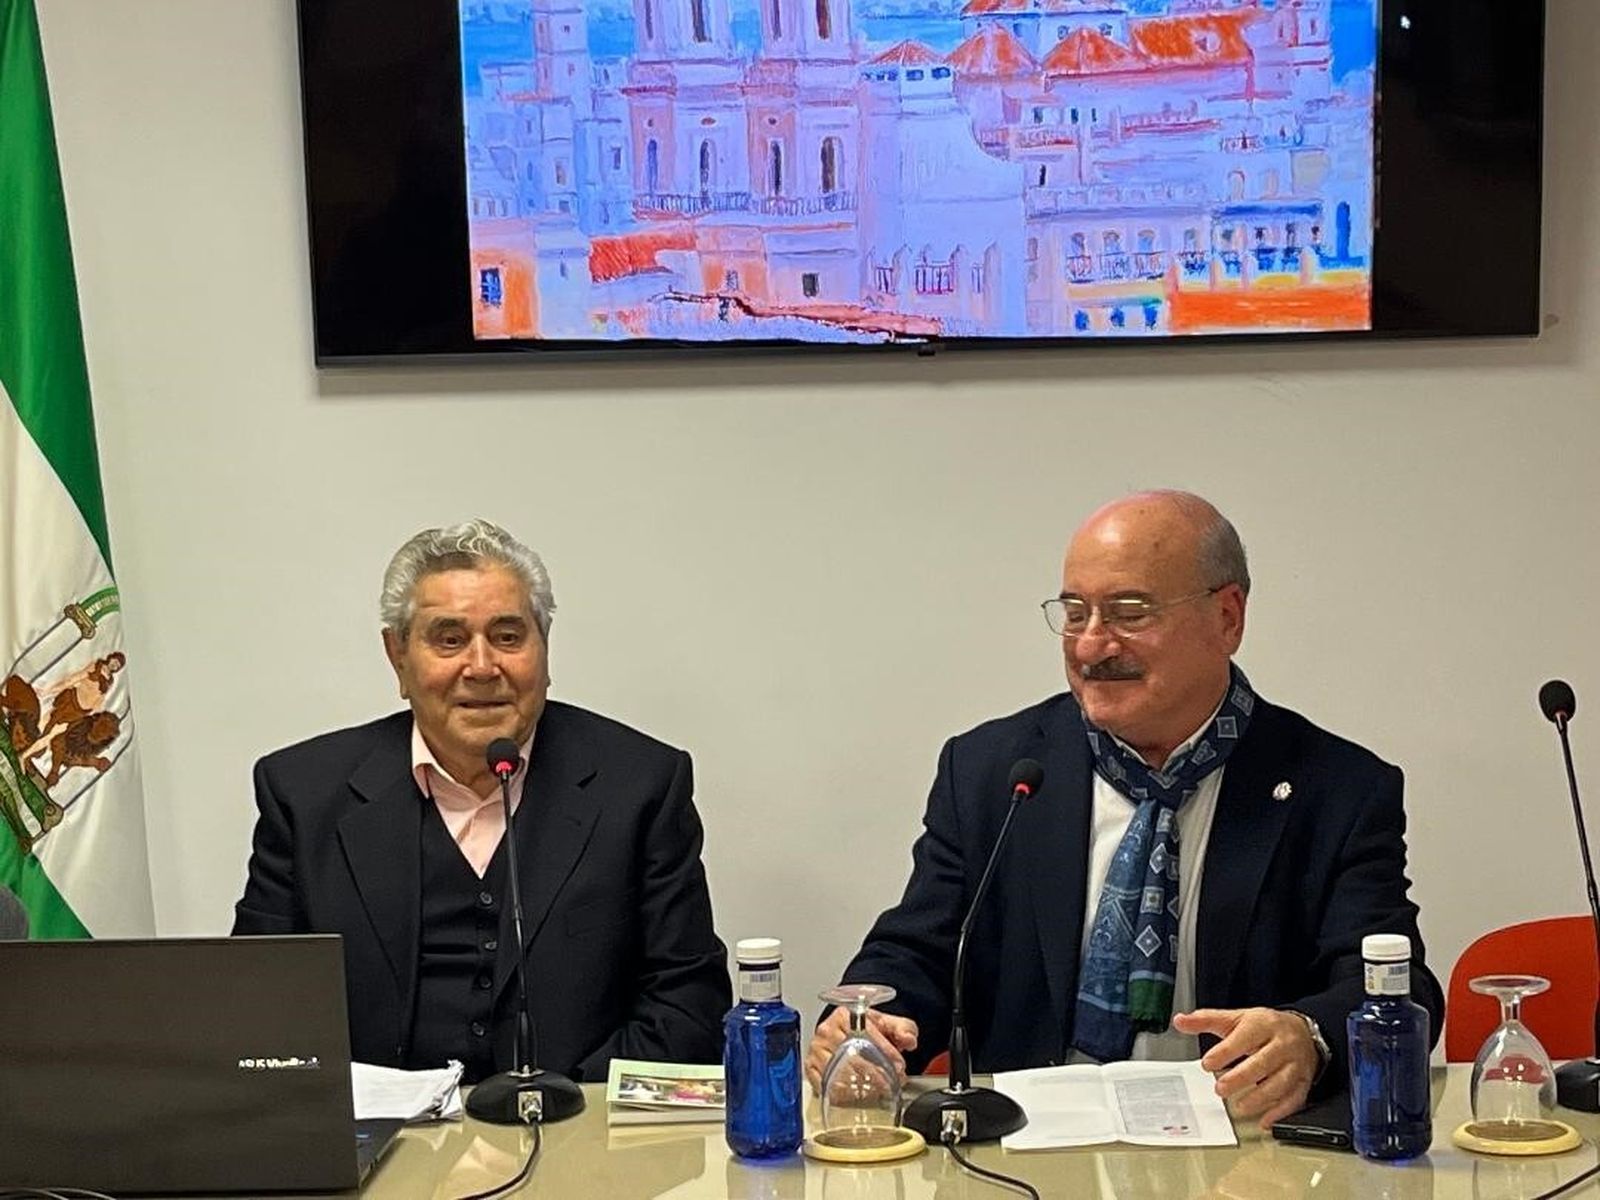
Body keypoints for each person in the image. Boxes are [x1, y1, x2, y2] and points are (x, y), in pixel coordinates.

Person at [807, 491, 1443, 1129]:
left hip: (1243, 1141)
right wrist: (866, 1024)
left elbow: (1394, 981)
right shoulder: (992, 772)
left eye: (1128, 613)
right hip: (1028, 1138)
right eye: (1074, 613)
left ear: (1227, 617)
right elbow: (918, 951)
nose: (1090, 646)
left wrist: (1311, 1036)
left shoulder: (1337, 788)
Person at [233, 520, 730, 1082]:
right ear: (398, 658)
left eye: (509, 636)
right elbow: (261, 1013)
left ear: (545, 650)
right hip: (381, 1130)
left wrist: (566, 1107)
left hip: (577, 1123)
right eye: (449, 639)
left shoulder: (639, 785)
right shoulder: (305, 795)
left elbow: (688, 1007)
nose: (482, 667)